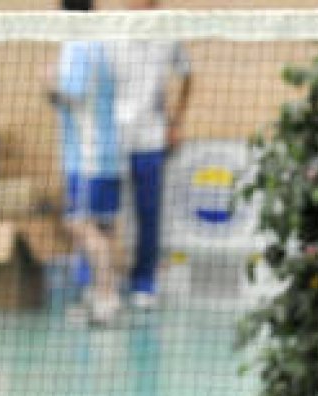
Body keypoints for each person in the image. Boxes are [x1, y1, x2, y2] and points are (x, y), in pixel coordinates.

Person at [109, 0, 191, 311]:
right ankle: (103, 286)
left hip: (151, 140)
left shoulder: (167, 33)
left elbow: (187, 75)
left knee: (149, 215)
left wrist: (176, 122)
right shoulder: (110, 30)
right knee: (105, 216)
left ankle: (144, 283)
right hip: (111, 141)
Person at [49, 0, 123, 326]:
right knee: (105, 230)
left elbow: (72, 94)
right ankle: (102, 295)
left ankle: (106, 298)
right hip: (110, 152)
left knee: (78, 224)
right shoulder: (103, 43)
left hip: (87, 157)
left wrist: (48, 84)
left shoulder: (76, 45)